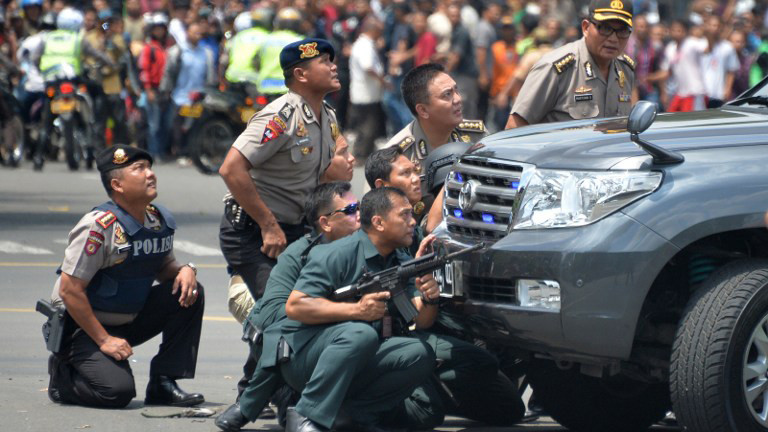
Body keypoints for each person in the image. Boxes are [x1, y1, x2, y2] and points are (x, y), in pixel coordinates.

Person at [364, 145, 526, 427]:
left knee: (508, 408)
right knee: (425, 413)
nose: (416, 178)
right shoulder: (372, 232)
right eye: (406, 173)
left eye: (416, 171)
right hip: (383, 345)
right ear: (382, 185)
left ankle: (436, 383)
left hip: (420, 332)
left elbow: (430, 227)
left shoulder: (410, 223)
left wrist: (427, 296)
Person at [45, 144, 205, 408]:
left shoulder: (157, 220)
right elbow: (70, 290)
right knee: (117, 392)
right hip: (82, 328)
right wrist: (104, 340)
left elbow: (164, 268)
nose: (150, 174)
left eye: (149, 167)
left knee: (190, 291)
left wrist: (186, 269)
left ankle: (163, 383)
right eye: (139, 169)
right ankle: (63, 376)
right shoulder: (98, 226)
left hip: (128, 317)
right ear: (117, 185)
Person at [275, 187, 439, 432]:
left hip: (355, 357)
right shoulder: (337, 253)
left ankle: (354, 418)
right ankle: (306, 416)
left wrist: (430, 297)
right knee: (361, 334)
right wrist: (357, 311)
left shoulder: (400, 260)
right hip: (305, 356)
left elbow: (421, 320)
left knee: (418, 352)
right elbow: (296, 306)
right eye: (404, 215)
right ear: (378, 222)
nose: (412, 221)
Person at [216, 181, 364, 432]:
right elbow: (272, 314)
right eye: (350, 210)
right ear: (325, 223)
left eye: (358, 207)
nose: (358, 214)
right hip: (289, 344)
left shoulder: (367, 246)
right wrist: (329, 312)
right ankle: (250, 402)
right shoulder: (300, 253)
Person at [218, 37, 341, 301]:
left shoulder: (327, 117)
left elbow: (318, 178)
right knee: (280, 308)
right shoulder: (280, 116)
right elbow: (231, 169)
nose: (333, 67)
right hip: (254, 232)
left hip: (295, 231)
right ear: (300, 74)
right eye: (324, 62)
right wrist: (268, 225)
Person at [384, 62, 486, 226]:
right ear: (423, 110)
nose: (458, 99)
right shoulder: (398, 153)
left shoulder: (475, 135)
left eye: (456, 90)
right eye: (447, 95)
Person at [506, 0, 636, 128]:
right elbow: (515, 127)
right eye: (605, 28)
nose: (613, 38)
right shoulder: (556, 68)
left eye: (622, 31)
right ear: (585, 28)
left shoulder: (625, 69)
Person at [33, 7, 115, 170]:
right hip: (72, 82)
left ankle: (38, 158)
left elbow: (35, 58)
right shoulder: (78, 39)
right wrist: (111, 64)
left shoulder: (47, 37)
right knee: (89, 107)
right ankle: (90, 147)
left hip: (51, 83)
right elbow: (97, 55)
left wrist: (43, 73)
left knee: (47, 121)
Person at [348, 16, 388, 160]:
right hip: (365, 94)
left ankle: (365, 154)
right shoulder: (364, 46)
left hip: (366, 93)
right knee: (367, 127)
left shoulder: (367, 44)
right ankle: (360, 155)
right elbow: (368, 67)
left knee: (369, 125)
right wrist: (383, 81)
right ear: (373, 30)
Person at [254, 7, 304, 98]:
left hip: (265, 88)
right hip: (288, 89)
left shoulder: (266, 39)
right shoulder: (300, 41)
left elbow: (256, 63)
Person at [221, 9, 270, 89]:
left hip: (233, 78)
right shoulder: (267, 37)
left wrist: (223, 80)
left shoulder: (237, 37)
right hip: (254, 80)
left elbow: (224, 61)